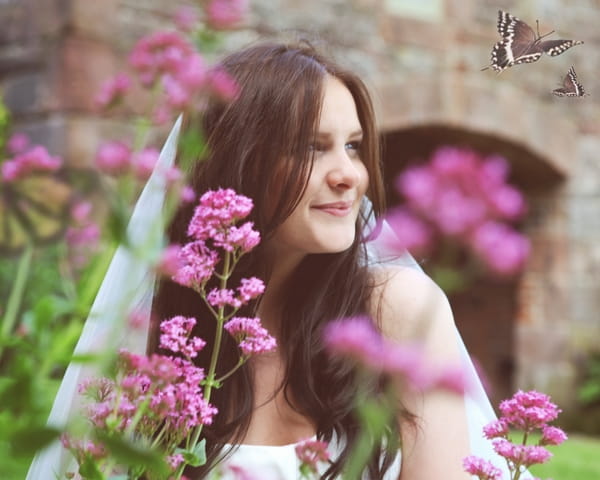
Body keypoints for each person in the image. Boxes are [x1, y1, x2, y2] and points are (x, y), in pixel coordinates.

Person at [149, 41, 472, 480]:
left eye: (353, 147)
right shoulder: (161, 336)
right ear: (239, 162)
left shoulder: (396, 310)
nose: (348, 175)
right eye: (311, 148)